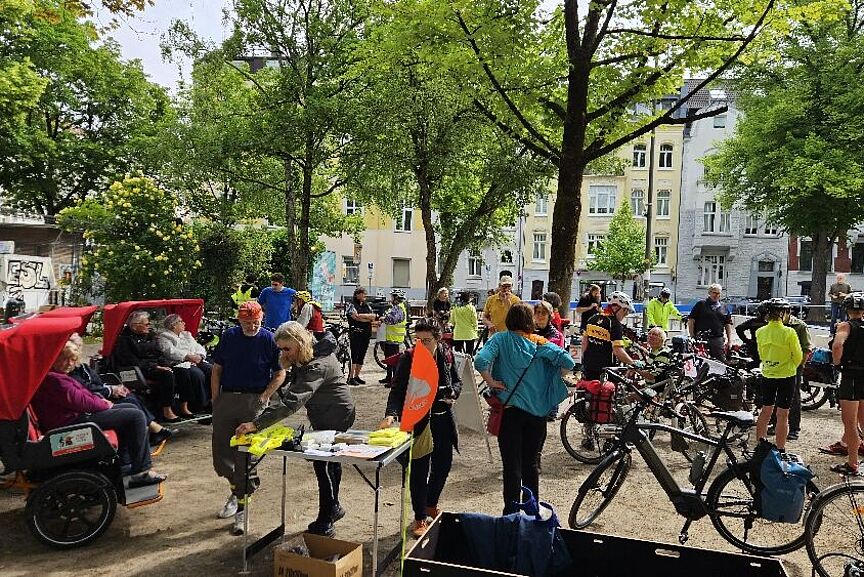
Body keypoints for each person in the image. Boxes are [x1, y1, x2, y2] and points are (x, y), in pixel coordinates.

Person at [235, 322, 355, 536]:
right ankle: (334, 507)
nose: (283, 353)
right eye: (280, 348)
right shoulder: (309, 353)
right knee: (330, 464)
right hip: (322, 412)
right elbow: (293, 390)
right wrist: (287, 367)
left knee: (324, 464)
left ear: (300, 342)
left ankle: (327, 517)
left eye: (287, 349)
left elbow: (293, 401)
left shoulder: (319, 364)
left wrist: (257, 424)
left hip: (336, 413)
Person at [474, 303, 574, 514]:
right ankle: (531, 511)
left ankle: (510, 514)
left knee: (511, 467)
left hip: (510, 413)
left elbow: (481, 360)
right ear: (530, 321)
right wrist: (551, 374)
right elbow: (568, 363)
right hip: (537, 416)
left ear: (510, 319)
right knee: (530, 466)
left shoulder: (500, 339)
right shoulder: (540, 343)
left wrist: (491, 381)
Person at [32, 341, 166, 487]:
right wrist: (105, 404)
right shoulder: (54, 380)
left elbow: (84, 394)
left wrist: (104, 402)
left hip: (75, 417)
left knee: (130, 407)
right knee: (136, 416)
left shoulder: (58, 376)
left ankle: (125, 463)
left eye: (72, 359)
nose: (70, 363)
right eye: (65, 359)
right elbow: (82, 401)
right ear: (55, 359)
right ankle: (141, 471)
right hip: (71, 422)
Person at [379, 319, 461, 538]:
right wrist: (391, 414)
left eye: (427, 340)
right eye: (418, 340)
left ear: (438, 338)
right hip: (418, 421)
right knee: (418, 470)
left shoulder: (446, 354)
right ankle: (419, 517)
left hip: (443, 418)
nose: (422, 345)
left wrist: (452, 393)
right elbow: (397, 390)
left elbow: (457, 382)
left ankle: (431, 503)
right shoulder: (409, 357)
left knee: (443, 465)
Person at [210, 301, 285, 535]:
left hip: (254, 400)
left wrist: (264, 397)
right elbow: (216, 369)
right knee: (222, 455)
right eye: (247, 322)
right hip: (227, 398)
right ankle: (237, 490)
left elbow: (280, 373)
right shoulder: (229, 337)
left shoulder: (269, 340)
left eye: (256, 322)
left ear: (262, 319)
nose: (252, 326)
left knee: (246, 456)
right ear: (239, 320)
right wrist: (215, 398)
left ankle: (243, 506)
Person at [67, 334, 176, 446]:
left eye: (80, 347)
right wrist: (110, 390)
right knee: (131, 404)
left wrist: (113, 388)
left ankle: (151, 430)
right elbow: (86, 389)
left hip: (99, 395)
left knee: (131, 397)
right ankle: (153, 430)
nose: (79, 351)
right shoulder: (69, 371)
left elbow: (97, 382)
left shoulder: (83, 367)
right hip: (93, 402)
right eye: (77, 348)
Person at [112, 310, 193, 422]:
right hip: (139, 369)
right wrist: (155, 367)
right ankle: (167, 410)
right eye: (146, 324)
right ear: (135, 326)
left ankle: (184, 406)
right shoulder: (124, 340)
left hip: (154, 365)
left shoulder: (150, 336)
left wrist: (167, 364)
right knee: (167, 375)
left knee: (182, 371)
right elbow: (131, 361)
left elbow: (158, 354)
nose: (149, 326)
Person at [754, 298, 802, 451]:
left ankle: (760, 446)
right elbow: (798, 356)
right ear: (783, 313)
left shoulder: (760, 332)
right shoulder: (789, 332)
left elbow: (761, 354)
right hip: (787, 375)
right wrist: (789, 365)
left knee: (765, 411)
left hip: (768, 374)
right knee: (783, 414)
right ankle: (781, 448)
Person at [830, 292, 864, 475]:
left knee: (849, 423)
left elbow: (837, 345)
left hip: (851, 376)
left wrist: (837, 363)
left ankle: (852, 463)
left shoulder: (846, 325)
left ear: (847, 309)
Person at [156, 314, 211, 413]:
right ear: (173, 325)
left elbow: (198, 346)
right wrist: (188, 356)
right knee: (198, 375)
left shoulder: (186, 334)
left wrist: (200, 355)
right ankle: (200, 405)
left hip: (196, 359)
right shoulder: (164, 337)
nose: (184, 323)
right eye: (181, 321)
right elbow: (170, 351)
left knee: (212, 370)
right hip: (180, 362)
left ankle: (212, 400)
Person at [582, 292, 643, 380]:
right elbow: (617, 351)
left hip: (588, 368)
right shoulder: (614, 324)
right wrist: (632, 363)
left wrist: (584, 362)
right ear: (616, 308)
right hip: (606, 371)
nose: (625, 315)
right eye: (625, 311)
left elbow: (584, 343)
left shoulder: (592, 319)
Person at [687, 283, 733, 362]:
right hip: (701, 339)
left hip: (717, 339)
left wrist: (730, 341)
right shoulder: (701, 304)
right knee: (700, 362)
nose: (716, 295)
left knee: (720, 363)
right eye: (714, 292)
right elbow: (691, 320)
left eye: (718, 293)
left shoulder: (724, 307)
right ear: (709, 292)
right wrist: (692, 335)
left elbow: (727, 324)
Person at [345, 287, 376, 385]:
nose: (365, 296)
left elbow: (373, 317)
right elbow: (355, 317)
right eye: (363, 294)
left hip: (366, 333)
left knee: (362, 355)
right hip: (356, 333)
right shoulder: (351, 304)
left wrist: (363, 317)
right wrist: (366, 317)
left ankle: (357, 376)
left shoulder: (367, 305)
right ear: (357, 295)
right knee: (355, 355)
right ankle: (350, 377)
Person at [380, 288, 409, 384]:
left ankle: (394, 380)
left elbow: (393, 320)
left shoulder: (398, 307)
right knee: (389, 359)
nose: (391, 298)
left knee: (394, 361)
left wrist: (383, 318)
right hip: (390, 338)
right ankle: (388, 377)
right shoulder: (396, 307)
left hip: (395, 338)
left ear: (396, 298)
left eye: (392, 296)